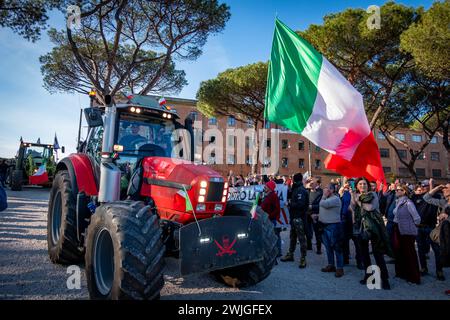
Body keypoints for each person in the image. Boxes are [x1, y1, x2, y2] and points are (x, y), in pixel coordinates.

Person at [350, 177, 392, 290]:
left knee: (378, 254)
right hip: (361, 227)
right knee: (364, 254)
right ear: (357, 186)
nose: (362, 186)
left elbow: (370, 207)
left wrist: (357, 199)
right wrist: (353, 197)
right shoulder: (355, 195)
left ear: (368, 185)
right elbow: (352, 208)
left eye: (364, 184)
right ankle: (369, 277)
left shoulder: (373, 195)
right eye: (360, 184)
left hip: (374, 228)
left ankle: (385, 280)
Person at [412, 179, 445, 281]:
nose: (423, 187)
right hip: (419, 227)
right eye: (422, 186)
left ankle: (439, 271)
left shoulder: (435, 197)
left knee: (436, 250)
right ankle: (423, 268)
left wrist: (432, 187)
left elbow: (431, 196)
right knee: (421, 250)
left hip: (431, 227)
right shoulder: (416, 197)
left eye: (426, 186)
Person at [392, 184, 421, 284]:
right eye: (396, 190)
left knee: (409, 253)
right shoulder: (398, 201)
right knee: (400, 252)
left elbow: (417, 218)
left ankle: (413, 277)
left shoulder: (408, 203)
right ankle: (402, 273)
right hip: (398, 229)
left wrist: (412, 227)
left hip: (407, 231)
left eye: (398, 190)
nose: (396, 191)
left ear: (404, 191)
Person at [281, 173, 309, 268]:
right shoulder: (295, 188)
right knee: (292, 237)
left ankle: (303, 258)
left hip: (299, 218)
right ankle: (290, 254)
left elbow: (300, 204)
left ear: (296, 180)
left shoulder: (301, 190)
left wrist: (289, 204)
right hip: (294, 217)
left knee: (301, 239)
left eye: (293, 179)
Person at [319, 184, 344, 277]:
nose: (325, 190)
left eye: (327, 189)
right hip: (324, 226)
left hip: (333, 226)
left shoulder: (335, 199)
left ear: (332, 190)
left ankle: (340, 268)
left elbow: (323, 204)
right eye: (325, 188)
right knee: (328, 247)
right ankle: (331, 265)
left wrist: (324, 196)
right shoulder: (327, 198)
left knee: (336, 247)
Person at [339, 182, 363, 269]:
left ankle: (359, 262)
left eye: (351, 184)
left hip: (355, 221)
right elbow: (341, 206)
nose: (349, 186)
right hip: (344, 221)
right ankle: (345, 259)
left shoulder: (358, 195)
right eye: (348, 184)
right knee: (344, 241)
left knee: (357, 243)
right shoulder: (344, 194)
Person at [260, 181, 281, 258]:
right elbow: (262, 206)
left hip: (270, 220)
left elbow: (277, 209)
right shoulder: (267, 195)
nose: (264, 187)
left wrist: (269, 216)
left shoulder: (273, 196)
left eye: (266, 186)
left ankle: (278, 251)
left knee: (274, 235)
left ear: (270, 188)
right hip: (266, 219)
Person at [306, 176, 323, 254]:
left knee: (317, 232)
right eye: (311, 181)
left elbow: (321, 204)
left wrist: (311, 206)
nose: (311, 183)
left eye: (313, 182)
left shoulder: (321, 192)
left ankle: (318, 248)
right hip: (308, 214)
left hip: (316, 214)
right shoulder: (308, 191)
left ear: (317, 183)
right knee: (308, 230)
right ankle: (309, 245)